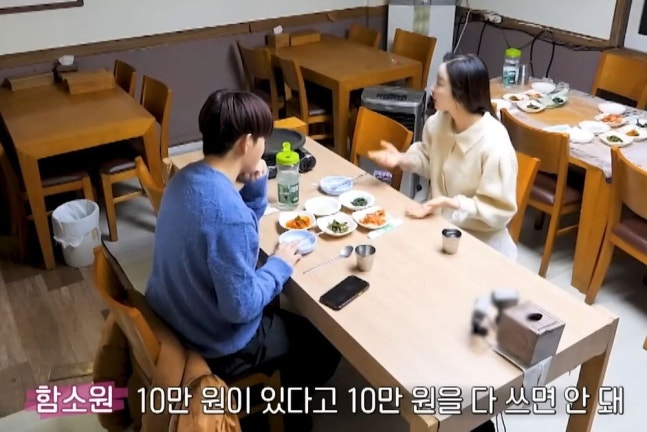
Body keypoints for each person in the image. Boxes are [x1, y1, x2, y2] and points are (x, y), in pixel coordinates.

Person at [145, 89, 341, 432]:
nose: (264, 146)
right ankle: (288, 418)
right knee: (323, 345)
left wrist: (254, 188)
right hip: (214, 341)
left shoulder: (184, 179)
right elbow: (240, 306)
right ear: (247, 143)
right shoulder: (227, 214)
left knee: (282, 315)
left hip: (175, 316)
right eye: (262, 139)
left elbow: (233, 237)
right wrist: (279, 265)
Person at [369, 53, 518, 260]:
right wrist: (403, 159)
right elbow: (429, 158)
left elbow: (499, 211)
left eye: (439, 83)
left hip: (481, 244)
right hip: (439, 228)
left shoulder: (495, 145)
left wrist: (452, 203)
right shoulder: (438, 122)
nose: (432, 89)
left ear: (460, 95)